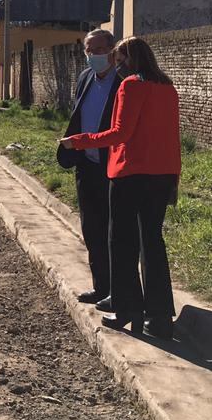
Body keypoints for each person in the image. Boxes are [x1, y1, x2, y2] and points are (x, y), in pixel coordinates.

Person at [60, 36, 181, 340]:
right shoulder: (167, 88)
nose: (116, 65)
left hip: (130, 173)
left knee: (122, 242)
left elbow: (120, 133)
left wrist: (79, 141)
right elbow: (172, 137)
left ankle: (127, 308)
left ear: (127, 60)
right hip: (162, 174)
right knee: (152, 242)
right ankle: (160, 316)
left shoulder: (131, 86)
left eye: (118, 59)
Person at [55, 29, 121, 306]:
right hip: (87, 164)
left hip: (114, 167)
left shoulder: (125, 81)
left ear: (112, 50)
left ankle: (119, 291)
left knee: (115, 232)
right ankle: (100, 287)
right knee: (91, 230)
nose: (93, 55)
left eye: (98, 49)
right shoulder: (85, 78)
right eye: (88, 50)